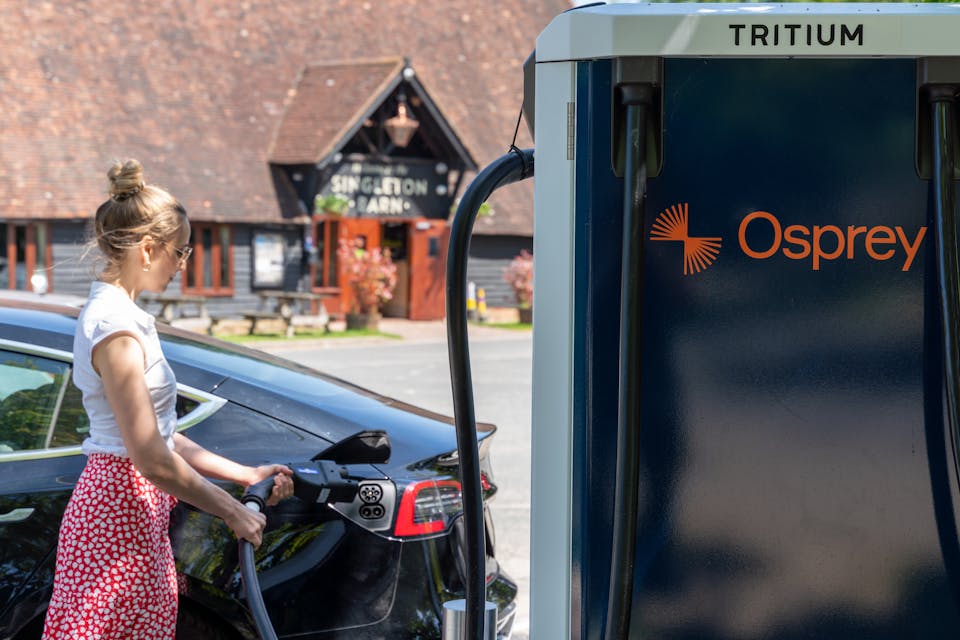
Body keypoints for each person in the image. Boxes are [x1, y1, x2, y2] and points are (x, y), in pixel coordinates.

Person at [41, 159, 294, 639]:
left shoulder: (128, 318)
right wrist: (234, 511)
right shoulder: (113, 328)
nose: (184, 263)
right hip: (115, 514)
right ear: (148, 248)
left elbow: (162, 435)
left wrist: (245, 474)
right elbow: (149, 456)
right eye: (180, 252)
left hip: (137, 515)